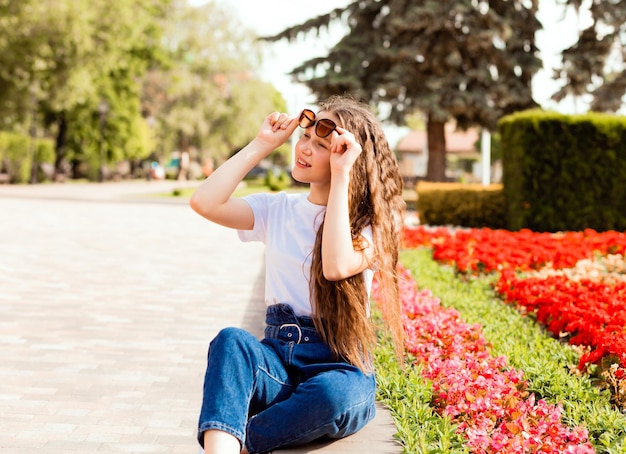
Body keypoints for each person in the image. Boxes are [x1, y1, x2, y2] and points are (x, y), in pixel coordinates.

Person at [189, 95, 406, 454]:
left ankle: (243, 442)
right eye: (304, 137)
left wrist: (341, 176)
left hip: (339, 367)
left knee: (332, 395)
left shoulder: (374, 226)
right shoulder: (277, 209)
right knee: (231, 342)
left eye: (322, 145)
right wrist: (262, 144)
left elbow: (336, 266)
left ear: (350, 159)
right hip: (277, 364)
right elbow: (204, 202)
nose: (303, 148)